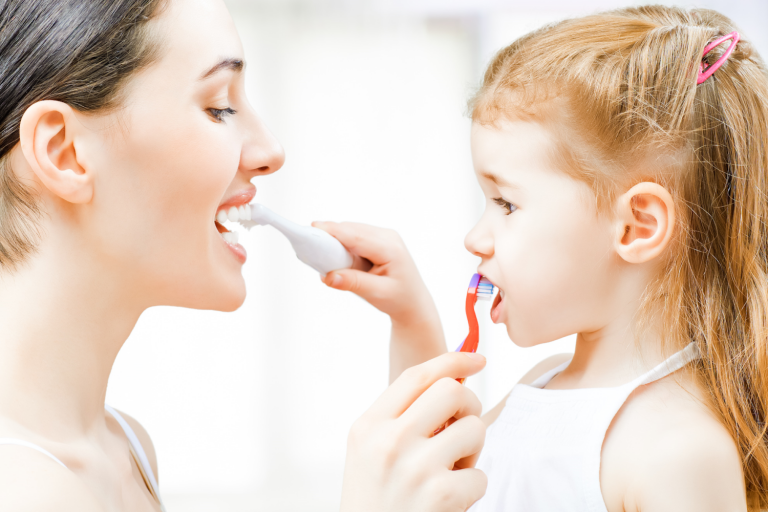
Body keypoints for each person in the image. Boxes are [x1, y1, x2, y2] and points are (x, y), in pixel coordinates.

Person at [0, 1, 487, 511]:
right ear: (64, 151)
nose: (270, 151)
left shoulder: (124, 448)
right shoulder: (24, 491)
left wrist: (413, 327)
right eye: (219, 107)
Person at [319, 5, 768, 511]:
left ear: (637, 225)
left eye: (506, 204)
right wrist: (410, 317)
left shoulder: (678, 452)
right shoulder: (545, 383)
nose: (475, 238)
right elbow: (428, 475)